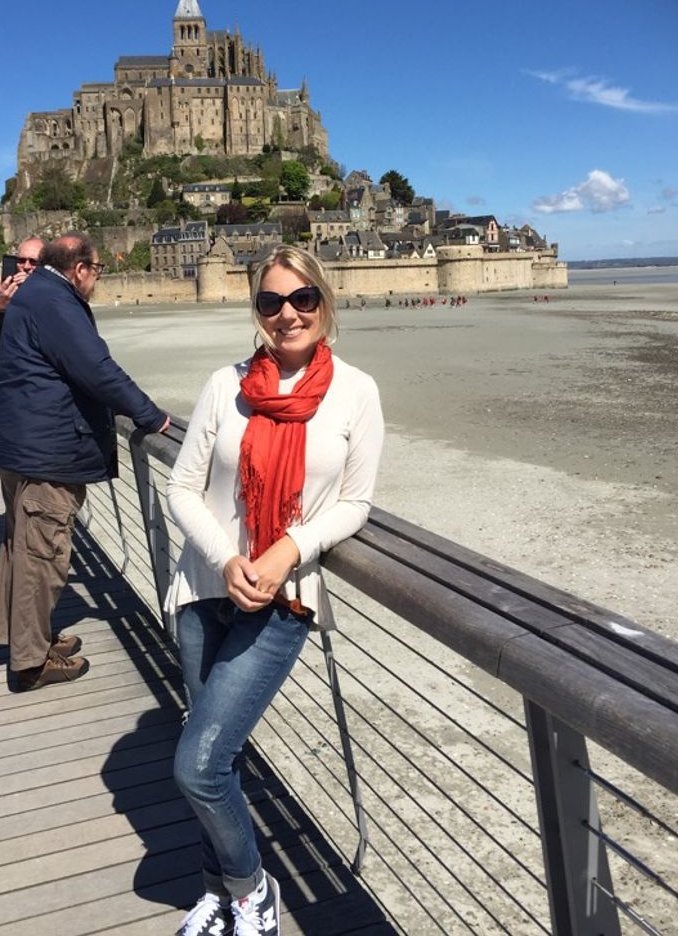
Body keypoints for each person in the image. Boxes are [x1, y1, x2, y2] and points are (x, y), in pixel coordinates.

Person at [166, 245, 384, 936]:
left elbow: (354, 503)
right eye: (270, 302)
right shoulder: (223, 384)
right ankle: (221, 890)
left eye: (301, 300)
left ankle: (254, 890)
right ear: (255, 311)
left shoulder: (356, 392)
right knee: (213, 754)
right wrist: (228, 558)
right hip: (205, 590)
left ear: (324, 302)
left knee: (198, 767)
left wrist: (289, 545)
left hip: (283, 600)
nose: (286, 314)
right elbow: (182, 487)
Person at [0, 232, 170, 691]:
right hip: (48, 448)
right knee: (43, 554)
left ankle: (19, 637)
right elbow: (96, 368)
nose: (98, 279)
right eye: (98, 269)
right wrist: (150, 414)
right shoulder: (55, 300)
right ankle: (29, 663)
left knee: (20, 545)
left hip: (22, 441)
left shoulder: (35, 293)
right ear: (79, 268)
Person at [0, 236, 45, 395]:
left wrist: (33, 290)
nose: (26, 266)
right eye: (21, 260)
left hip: (40, 382)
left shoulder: (53, 293)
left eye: (33, 262)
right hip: (3, 382)